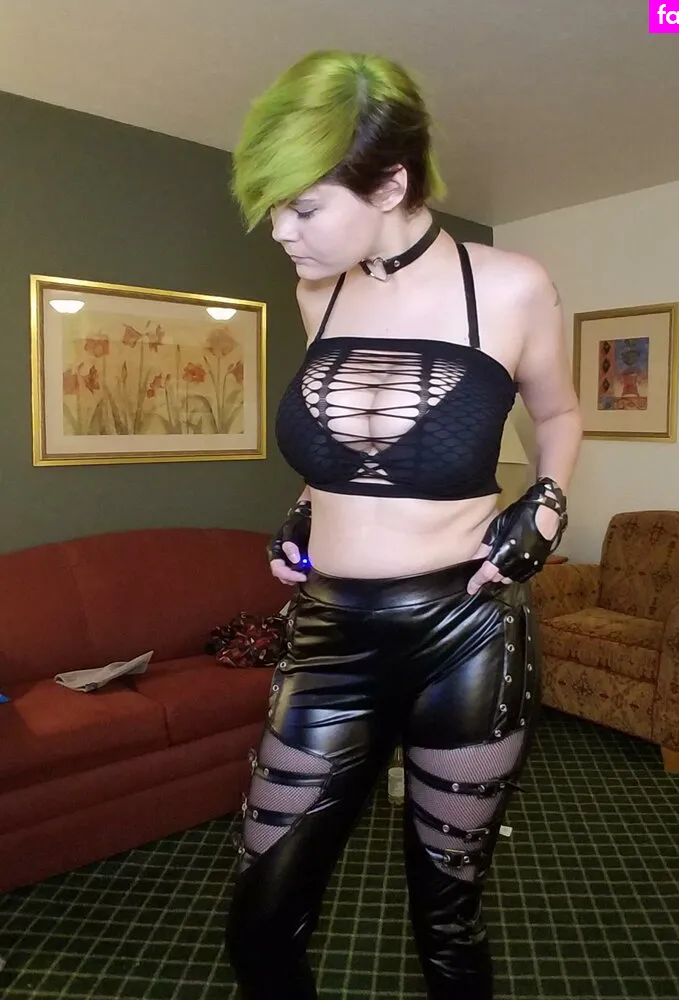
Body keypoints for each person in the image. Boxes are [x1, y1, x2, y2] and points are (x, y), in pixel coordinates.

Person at [224, 49, 583, 1000]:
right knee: (259, 923)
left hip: (465, 632)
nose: (280, 231)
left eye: (303, 207)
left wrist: (547, 503)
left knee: (446, 916)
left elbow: (558, 413)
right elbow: (342, 446)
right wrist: (305, 512)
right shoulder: (319, 290)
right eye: (275, 207)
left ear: (389, 184)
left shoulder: (510, 287)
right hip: (328, 633)